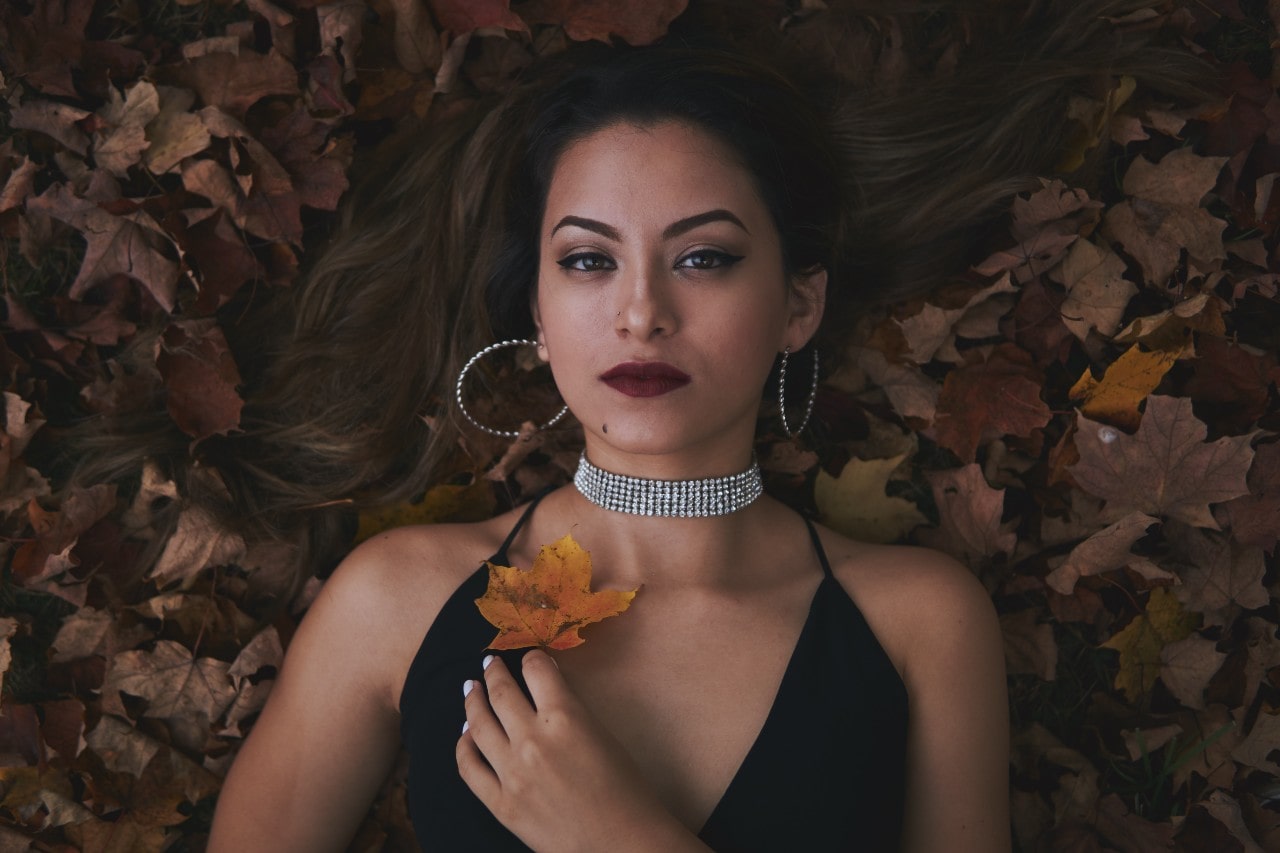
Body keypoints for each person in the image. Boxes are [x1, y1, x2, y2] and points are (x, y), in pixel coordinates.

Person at [194, 8, 1206, 851]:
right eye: (589, 261)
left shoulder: (914, 623)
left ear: (797, 307)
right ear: (538, 321)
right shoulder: (394, 603)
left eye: (704, 257)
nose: (640, 313)